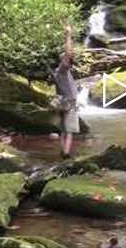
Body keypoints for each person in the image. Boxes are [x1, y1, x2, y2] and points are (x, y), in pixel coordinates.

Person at [53, 24, 80, 159]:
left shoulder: (59, 72)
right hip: (69, 103)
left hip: (61, 102)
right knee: (69, 131)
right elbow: (69, 53)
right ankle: (66, 155)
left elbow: (69, 55)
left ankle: (62, 152)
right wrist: (68, 34)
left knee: (63, 130)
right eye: (67, 59)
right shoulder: (63, 71)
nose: (69, 59)